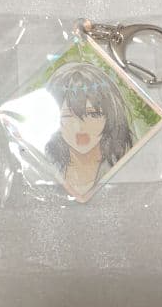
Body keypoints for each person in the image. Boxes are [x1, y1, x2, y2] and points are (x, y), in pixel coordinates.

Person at [43, 62, 134, 202]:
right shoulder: (46, 165)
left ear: (110, 116)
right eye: (67, 116)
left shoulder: (125, 163)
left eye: (92, 114)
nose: (80, 129)